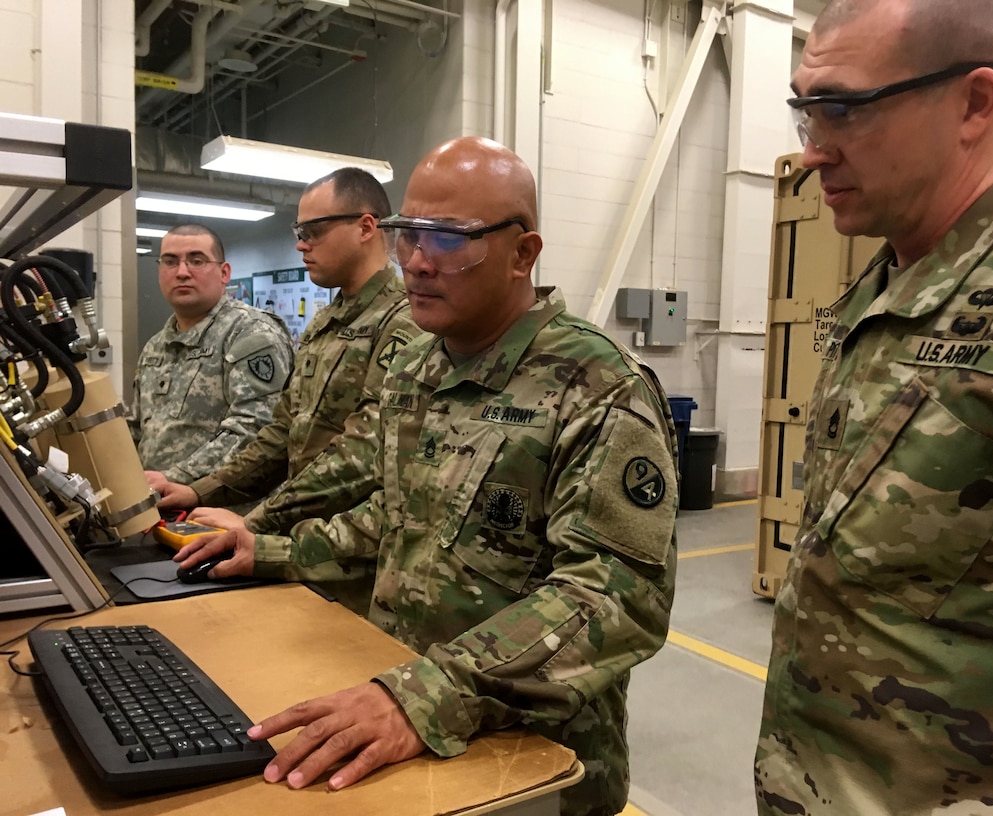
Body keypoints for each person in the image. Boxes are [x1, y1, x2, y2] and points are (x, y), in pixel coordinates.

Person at [175, 137, 679, 816]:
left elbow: (617, 596)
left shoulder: (595, 386)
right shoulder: (418, 365)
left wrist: (425, 695)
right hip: (400, 715)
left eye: (448, 240)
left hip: (529, 759)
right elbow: (396, 512)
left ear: (523, 254)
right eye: (410, 233)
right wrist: (270, 549)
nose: (415, 261)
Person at [755, 1, 993, 813]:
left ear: (974, 102)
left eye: (843, 108)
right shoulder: (889, 288)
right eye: (804, 108)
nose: (811, 150)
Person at [154, 170, 419, 601]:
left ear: (366, 227)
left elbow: (365, 454)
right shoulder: (326, 323)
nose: (301, 244)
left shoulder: (402, 320)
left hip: (359, 563)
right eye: (300, 232)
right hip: (297, 548)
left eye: (313, 231)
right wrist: (198, 490)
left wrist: (257, 521)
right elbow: (281, 435)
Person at [129, 224, 293, 491]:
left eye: (197, 260)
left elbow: (256, 427)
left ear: (224, 272)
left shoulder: (250, 333)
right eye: (170, 261)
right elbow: (137, 430)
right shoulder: (155, 346)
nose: (182, 272)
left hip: (227, 509)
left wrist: (176, 477)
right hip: (161, 504)